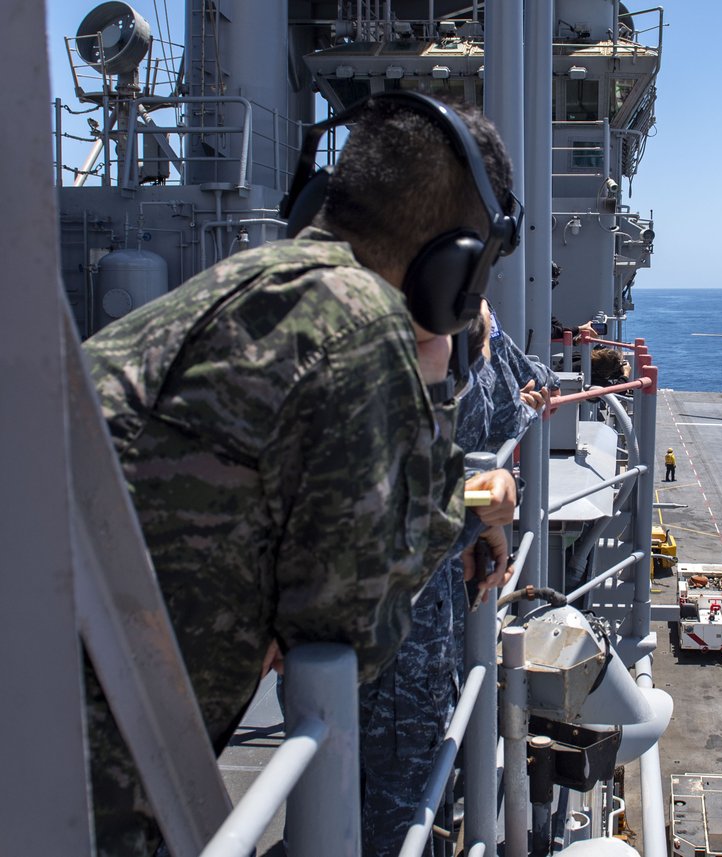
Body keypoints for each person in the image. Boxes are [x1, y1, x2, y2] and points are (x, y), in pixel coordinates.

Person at [81, 96, 515, 856]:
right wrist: (439, 380)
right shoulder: (359, 323)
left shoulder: (255, 279)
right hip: (83, 794)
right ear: (454, 272)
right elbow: (357, 626)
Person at [359, 300, 555, 857]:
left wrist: (478, 505)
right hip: (391, 633)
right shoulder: (399, 345)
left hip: (418, 609)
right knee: (398, 806)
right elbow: (365, 495)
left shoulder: (456, 318)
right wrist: (479, 499)